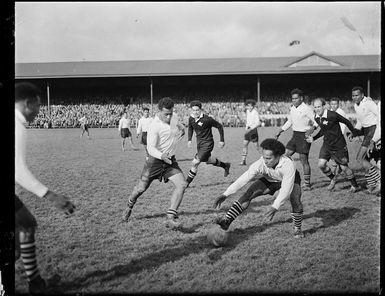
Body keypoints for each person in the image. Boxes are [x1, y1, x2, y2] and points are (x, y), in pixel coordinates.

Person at [15, 82, 76, 294]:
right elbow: (17, 170)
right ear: (27, 103)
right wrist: (51, 196)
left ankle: (35, 282)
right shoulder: (17, 126)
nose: (40, 110)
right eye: (38, 105)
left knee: (26, 224)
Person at [213, 138, 305, 238]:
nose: (265, 161)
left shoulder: (288, 165)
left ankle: (297, 229)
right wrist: (226, 194)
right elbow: (244, 178)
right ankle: (227, 221)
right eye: (264, 157)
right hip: (271, 179)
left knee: (295, 200)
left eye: (269, 158)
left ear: (278, 156)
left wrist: (275, 206)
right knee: (249, 194)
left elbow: (286, 189)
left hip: (290, 179)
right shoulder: (260, 164)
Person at [122, 97, 187, 229]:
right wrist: (161, 155)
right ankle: (129, 206)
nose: (169, 117)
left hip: (170, 161)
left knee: (182, 184)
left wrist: (182, 127)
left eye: (171, 113)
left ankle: (170, 217)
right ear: (159, 111)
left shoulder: (173, 116)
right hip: (155, 162)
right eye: (166, 114)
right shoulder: (154, 126)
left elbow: (176, 123)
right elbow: (151, 148)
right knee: (140, 189)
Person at [305, 98, 361, 192]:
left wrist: (354, 133)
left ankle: (355, 185)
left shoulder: (332, 115)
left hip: (339, 145)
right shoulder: (316, 117)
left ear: (323, 106)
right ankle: (332, 178)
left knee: (344, 167)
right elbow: (323, 130)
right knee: (321, 164)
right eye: (315, 107)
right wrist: (313, 138)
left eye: (319, 106)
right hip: (327, 144)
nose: (317, 109)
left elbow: (346, 121)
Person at [275, 88, 317, 191]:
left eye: (296, 98)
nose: (294, 100)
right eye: (292, 99)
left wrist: (312, 129)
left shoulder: (307, 108)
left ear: (301, 98)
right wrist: (281, 130)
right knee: (284, 156)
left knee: (304, 160)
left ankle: (307, 184)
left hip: (304, 136)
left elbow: (316, 121)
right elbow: (290, 121)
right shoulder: (293, 108)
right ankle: (288, 177)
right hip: (295, 136)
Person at [185, 100, 231, 187]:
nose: (195, 112)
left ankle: (186, 183)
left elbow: (219, 126)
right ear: (191, 110)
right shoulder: (191, 118)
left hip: (208, 144)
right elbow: (190, 129)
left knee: (195, 162)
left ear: (200, 110)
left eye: (197, 110)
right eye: (193, 110)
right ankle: (225, 165)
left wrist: (222, 140)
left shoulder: (207, 119)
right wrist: (189, 140)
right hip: (200, 144)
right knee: (209, 160)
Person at [348, 87, 380, 194]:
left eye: (357, 95)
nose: (355, 97)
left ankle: (378, 181)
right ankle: (371, 185)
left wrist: (375, 137)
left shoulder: (369, 103)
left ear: (362, 95)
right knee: (365, 159)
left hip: (373, 130)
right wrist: (354, 132)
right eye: (353, 95)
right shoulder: (356, 106)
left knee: (360, 158)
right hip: (366, 131)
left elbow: (379, 117)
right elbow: (360, 122)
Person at [328, 98, 348, 177]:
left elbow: (343, 124)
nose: (333, 106)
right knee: (333, 155)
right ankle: (338, 169)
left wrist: (340, 134)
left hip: (338, 137)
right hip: (331, 137)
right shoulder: (330, 112)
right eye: (332, 104)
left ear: (338, 104)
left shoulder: (341, 112)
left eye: (335, 104)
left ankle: (336, 173)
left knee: (338, 155)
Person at [240, 99, 261, 165]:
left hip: (253, 131)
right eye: (248, 106)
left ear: (253, 106)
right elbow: (248, 121)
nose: (249, 107)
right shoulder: (247, 111)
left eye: (251, 106)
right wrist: (246, 127)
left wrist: (251, 128)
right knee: (245, 144)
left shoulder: (255, 112)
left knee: (257, 147)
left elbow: (258, 123)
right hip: (248, 130)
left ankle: (265, 158)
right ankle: (243, 161)